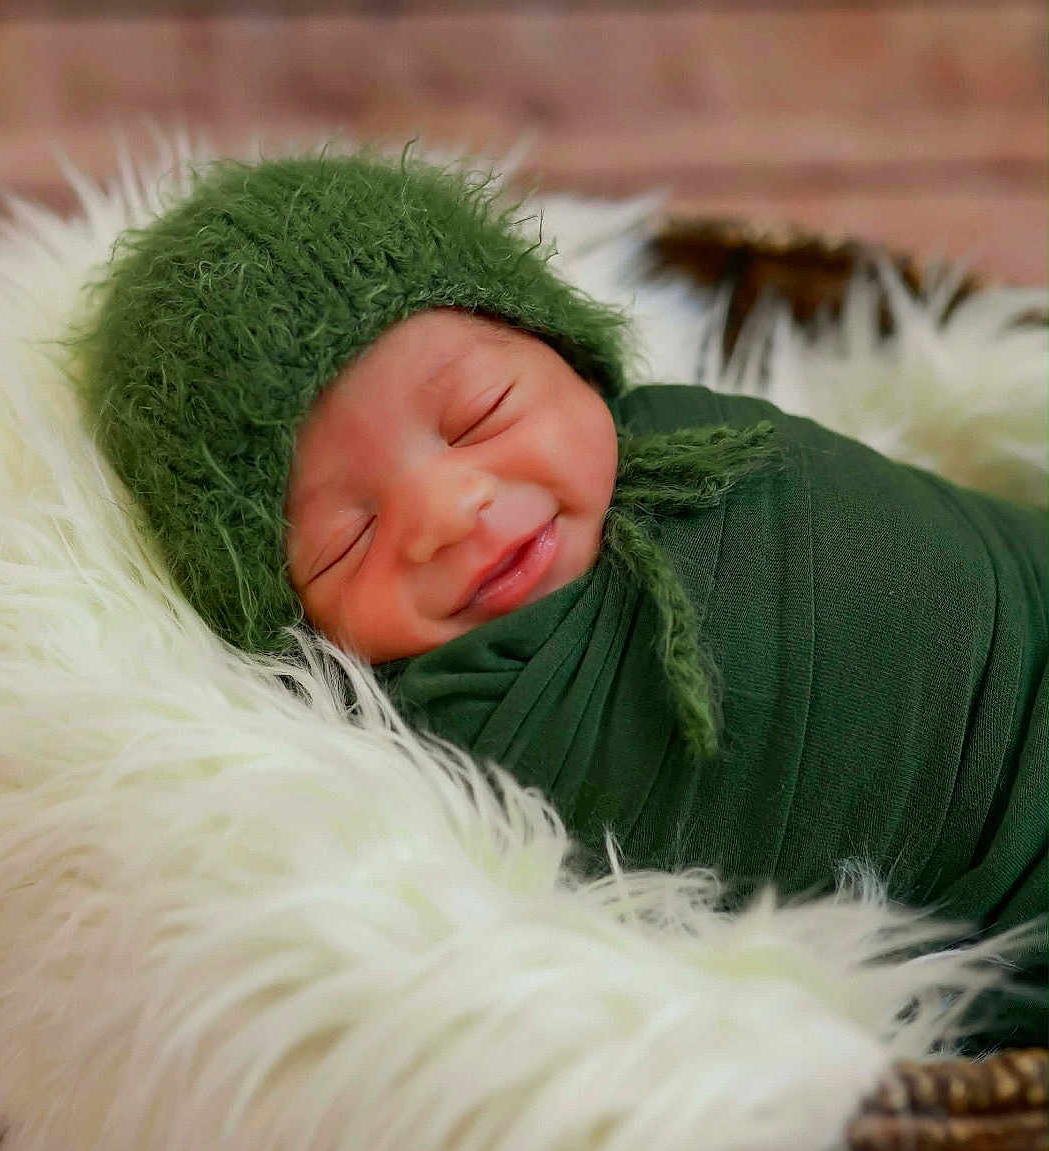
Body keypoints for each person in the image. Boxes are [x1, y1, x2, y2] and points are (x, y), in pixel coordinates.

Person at [79, 149, 1046, 1046]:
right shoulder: (435, 758)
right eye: (348, 539)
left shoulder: (691, 443)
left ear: (568, 355)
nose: (448, 511)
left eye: (479, 416)